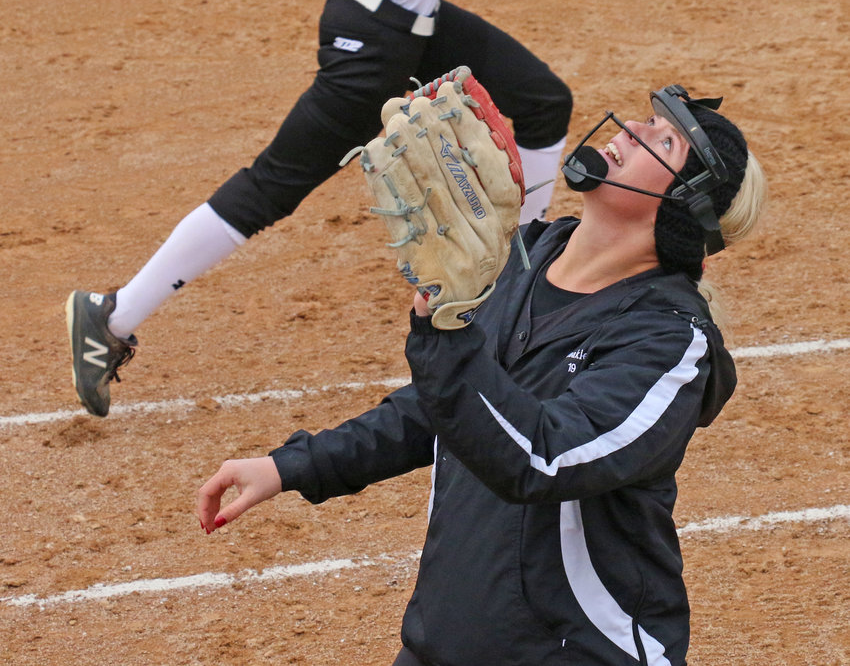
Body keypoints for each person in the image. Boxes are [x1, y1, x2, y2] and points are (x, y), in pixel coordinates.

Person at [195, 84, 768, 665]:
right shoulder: (523, 256)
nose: (632, 132)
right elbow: (445, 406)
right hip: (444, 640)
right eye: (645, 120)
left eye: (663, 139)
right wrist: (295, 464)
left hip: (575, 650)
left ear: (683, 204)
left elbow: (543, 455)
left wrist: (445, 335)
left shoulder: (666, 340)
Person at [64, 0, 573, 417]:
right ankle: (111, 317)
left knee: (542, 100)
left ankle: (513, 275)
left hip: (412, 23)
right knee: (272, 184)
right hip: (369, 44)